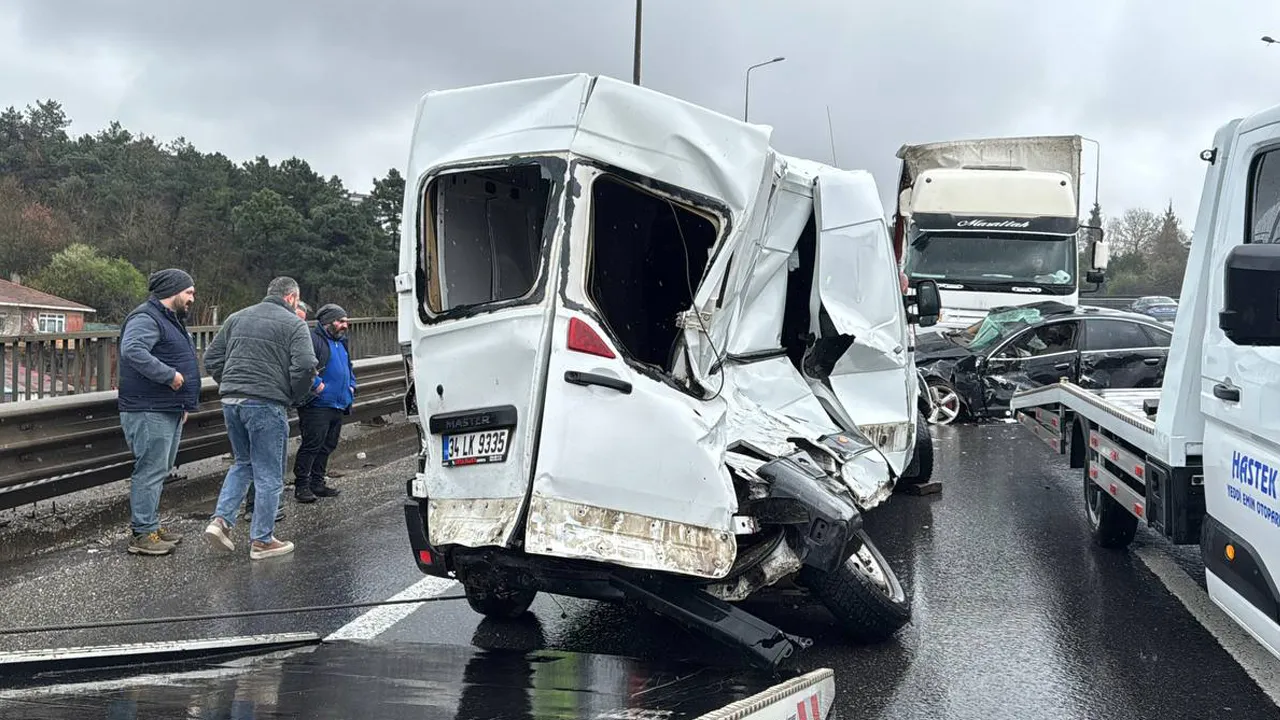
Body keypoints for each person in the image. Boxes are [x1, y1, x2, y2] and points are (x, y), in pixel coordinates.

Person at [202, 277, 317, 560]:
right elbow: (305, 366)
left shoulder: (237, 317)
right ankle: (262, 540)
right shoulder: (295, 324)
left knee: (243, 463)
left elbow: (212, 359)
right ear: (292, 298)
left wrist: (231, 382)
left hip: (231, 400)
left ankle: (221, 521)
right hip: (266, 404)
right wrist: (293, 396)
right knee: (269, 473)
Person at [117, 269, 200, 556]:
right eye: (188, 292)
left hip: (166, 407)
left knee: (159, 469)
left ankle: (150, 525)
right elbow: (133, 350)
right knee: (150, 470)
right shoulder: (146, 318)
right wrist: (170, 376)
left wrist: (182, 405)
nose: (192, 298)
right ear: (173, 291)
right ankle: (142, 534)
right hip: (147, 408)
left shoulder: (169, 320)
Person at [243, 299, 311, 521]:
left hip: (266, 400)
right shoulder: (276, 337)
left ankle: (260, 508)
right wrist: (297, 394)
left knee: (263, 459)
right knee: (266, 460)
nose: (298, 325)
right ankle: (260, 515)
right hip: (267, 401)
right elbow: (304, 366)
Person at [294, 303, 355, 502]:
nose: (344, 325)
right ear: (327, 322)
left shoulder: (341, 342)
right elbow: (303, 365)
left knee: (328, 445)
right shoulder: (313, 340)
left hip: (338, 403)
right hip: (317, 404)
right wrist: (318, 385)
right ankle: (302, 485)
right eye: (340, 321)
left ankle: (317, 483)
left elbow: (348, 367)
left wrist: (352, 385)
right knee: (312, 445)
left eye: (345, 321)